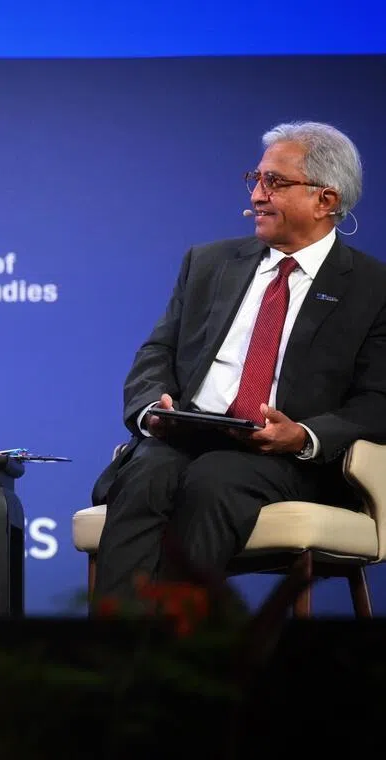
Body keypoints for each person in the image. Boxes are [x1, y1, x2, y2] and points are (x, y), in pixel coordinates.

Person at [91, 121, 386, 601]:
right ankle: (106, 652)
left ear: (326, 201)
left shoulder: (372, 289)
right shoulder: (209, 264)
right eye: (256, 178)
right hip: (188, 433)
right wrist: (153, 409)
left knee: (213, 480)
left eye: (276, 182)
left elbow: (378, 401)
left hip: (286, 460)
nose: (258, 195)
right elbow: (157, 351)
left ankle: (172, 653)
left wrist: (304, 435)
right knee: (146, 473)